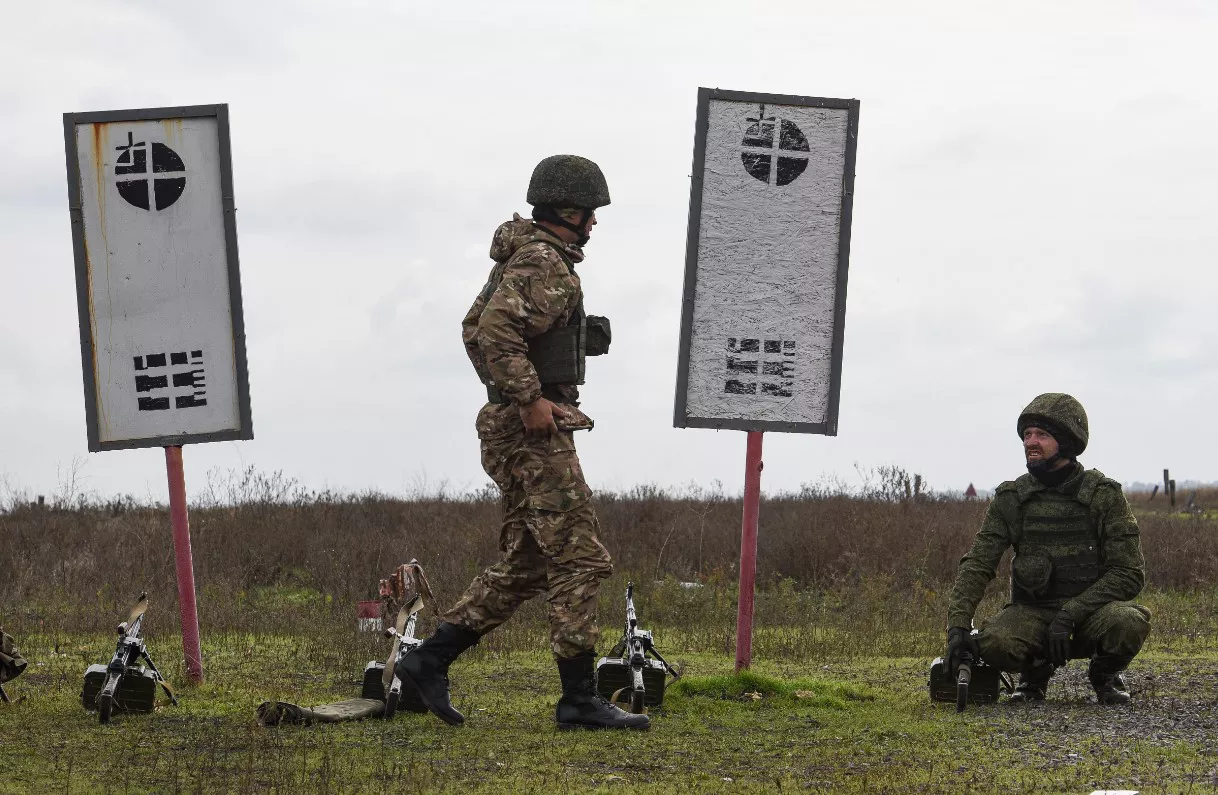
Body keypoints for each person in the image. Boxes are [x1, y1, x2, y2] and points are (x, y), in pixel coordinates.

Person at [396, 155, 648, 730]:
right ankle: (578, 701)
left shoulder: (525, 258)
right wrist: (531, 398)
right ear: (567, 211)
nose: (593, 224)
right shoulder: (543, 262)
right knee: (581, 557)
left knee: (529, 564)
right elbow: (493, 332)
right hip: (531, 432)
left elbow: (480, 329)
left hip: (513, 427)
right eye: (588, 213)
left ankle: (428, 662)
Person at [945, 393, 1150, 704]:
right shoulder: (1012, 498)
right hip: (1034, 614)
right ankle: (1034, 675)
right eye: (1027, 435)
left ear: (1066, 441)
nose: (1031, 442)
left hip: (1092, 615)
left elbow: (1129, 574)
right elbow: (978, 564)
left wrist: (1070, 614)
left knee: (1129, 623)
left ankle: (1105, 674)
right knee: (995, 642)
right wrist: (958, 627)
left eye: (1042, 434)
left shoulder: (1103, 495)